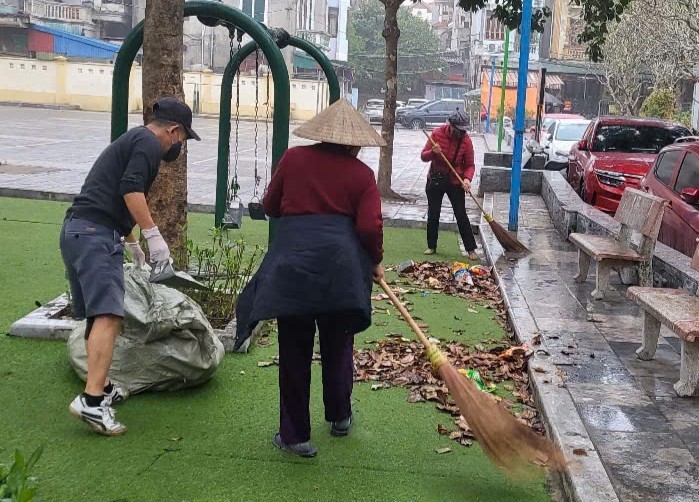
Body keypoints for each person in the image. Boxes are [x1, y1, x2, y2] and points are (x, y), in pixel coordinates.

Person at [234, 99, 386, 458]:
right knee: (338, 343)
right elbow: (369, 226)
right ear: (353, 142)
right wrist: (375, 261)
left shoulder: (294, 159)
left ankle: (295, 436)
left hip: (294, 267)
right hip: (341, 269)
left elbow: (271, 206)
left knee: (294, 350)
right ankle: (340, 416)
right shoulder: (361, 175)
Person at [60, 97, 200, 436]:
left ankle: (102, 385)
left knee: (98, 315)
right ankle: (92, 402)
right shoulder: (150, 144)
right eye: (182, 138)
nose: (179, 145)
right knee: (109, 316)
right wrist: (154, 236)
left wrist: (133, 243)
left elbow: (112, 194)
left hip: (78, 229)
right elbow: (130, 190)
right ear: (174, 130)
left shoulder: (133, 139)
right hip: (95, 235)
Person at [421, 110, 479, 260]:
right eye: (458, 130)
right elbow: (423, 156)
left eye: (463, 130)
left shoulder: (466, 140)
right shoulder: (437, 134)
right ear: (451, 125)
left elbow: (470, 165)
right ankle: (431, 245)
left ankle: (471, 249)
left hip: (455, 181)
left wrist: (467, 179)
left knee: (461, 214)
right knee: (433, 213)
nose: (461, 133)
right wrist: (433, 152)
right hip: (436, 178)